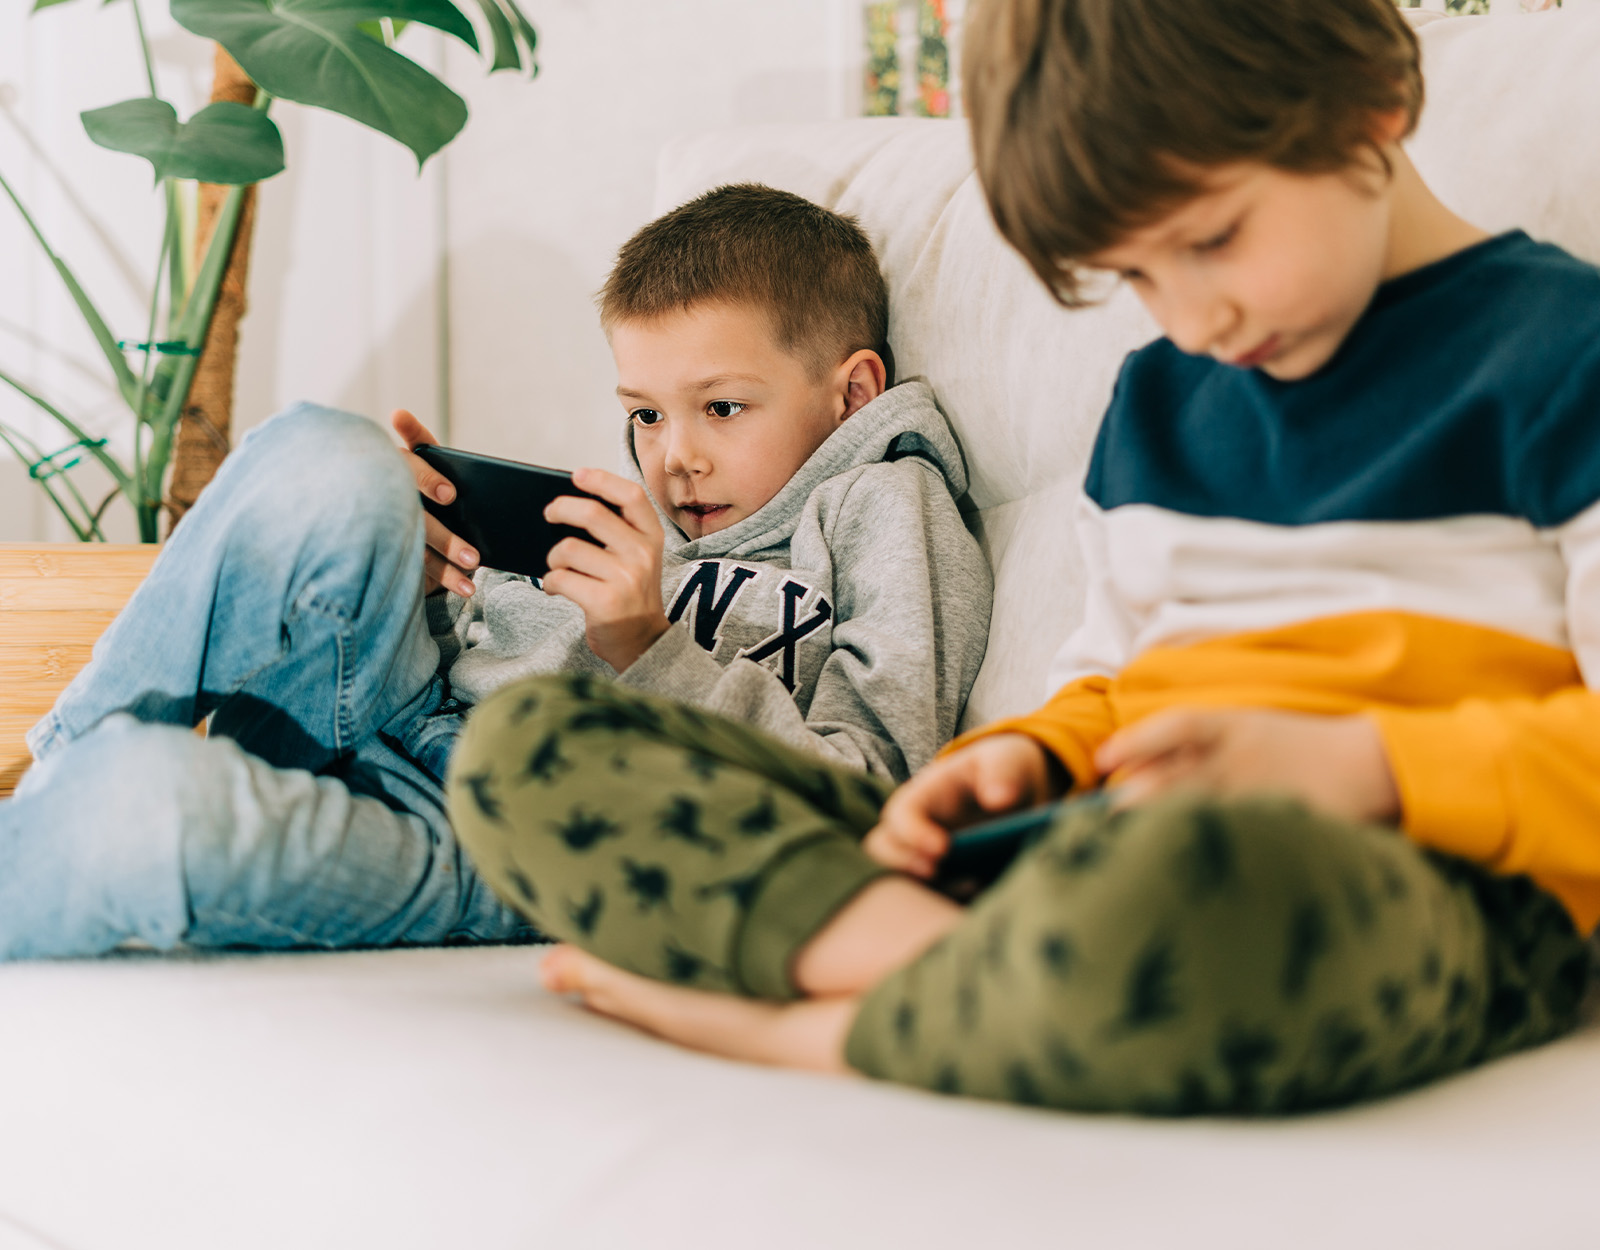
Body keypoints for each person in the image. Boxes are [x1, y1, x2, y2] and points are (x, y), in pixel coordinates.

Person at [446, 0, 1600, 1114]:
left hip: (1427, 880)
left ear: (1373, 105)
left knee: (1187, 881)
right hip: (1106, 850)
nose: (1193, 320)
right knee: (525, 750)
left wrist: (1363, 764)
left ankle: (824, 1021)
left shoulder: (1562, 355)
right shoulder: (1159, 403)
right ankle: (961, 963)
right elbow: (1110, 682)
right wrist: (1026, 760)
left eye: (1210, 240)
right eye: (1141, 276)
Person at [0, 184, 990, 961]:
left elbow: (874, 798)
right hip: (396, 712)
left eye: (721, 408)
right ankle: (53, 765)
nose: (672, 453)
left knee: (141, 801)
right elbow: (504, 643)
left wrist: (650, 648)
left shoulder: (886, 507)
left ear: (852, 390)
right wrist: (431, 573)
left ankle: (69, 812)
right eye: (646, 412)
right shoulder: (660, 522)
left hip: (507, 831)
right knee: (330, 455)